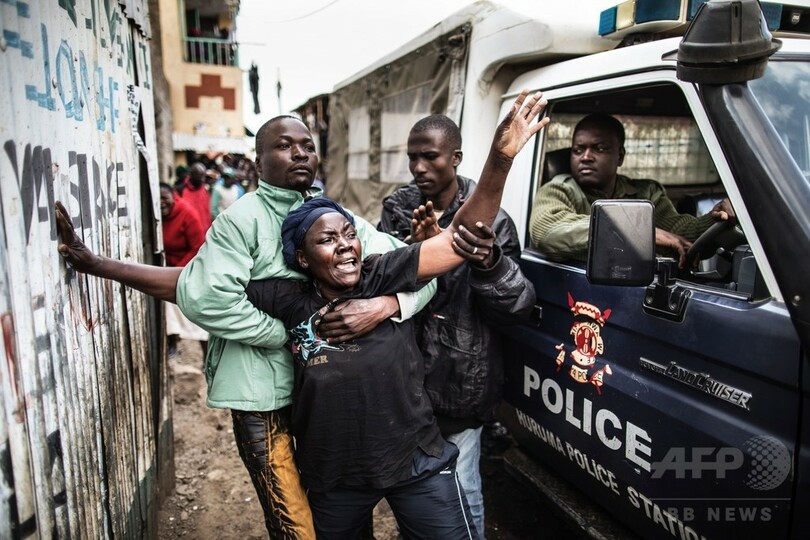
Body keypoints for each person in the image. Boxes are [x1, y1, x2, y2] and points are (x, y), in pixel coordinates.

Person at [57, 90, 549, 538]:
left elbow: (442, 253)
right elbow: (197, 291)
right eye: (284, 146)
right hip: (280, 411)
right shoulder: (254, 241)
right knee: (298, 526)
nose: (345, 245)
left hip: (392, 445)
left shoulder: (356, 245)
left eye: (307, 146)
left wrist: (388, 303)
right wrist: (294, 335)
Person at [377, 114, 536, 536]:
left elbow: (517, 307)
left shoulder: (493, 220)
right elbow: (374, 283)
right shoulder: (398, 209)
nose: (418, 167)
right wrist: (416, 255)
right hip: (406, 380)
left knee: (461, 491)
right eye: (412, 157)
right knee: (414, 492)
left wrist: (489, 262)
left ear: (456, 158)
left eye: (429, 156)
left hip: (461, 380)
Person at [529, 113, 736, 266]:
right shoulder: (559, 189)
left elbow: (679, 233)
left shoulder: (646, 193)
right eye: (578, 150)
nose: (586, 157)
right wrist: (639, 233)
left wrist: (716, 219)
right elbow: (546, 232)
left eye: (599, 149)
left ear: (620, 156)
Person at [158, 183, 208, 357]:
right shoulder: (156, 217)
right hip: (168, 270)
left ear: (174, 196)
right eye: (157, 199)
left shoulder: (187, 214)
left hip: (190, 269)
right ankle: (172, 344)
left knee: (198, 316)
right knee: (168, 311)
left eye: (165, 198)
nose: (161, 202)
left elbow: (198, 247)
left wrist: (178, 270)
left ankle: (206, 356)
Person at [175, 162, 212, 229]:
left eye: (203, 176)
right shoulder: (180, 190)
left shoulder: (206, 189)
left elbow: (207, 211)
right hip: (189, 229)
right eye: (199, 176)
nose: (201, 179)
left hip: (205, 230)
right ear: (191, 174)